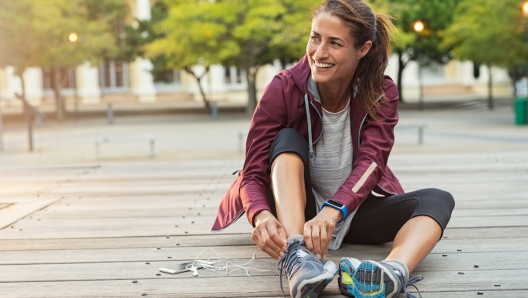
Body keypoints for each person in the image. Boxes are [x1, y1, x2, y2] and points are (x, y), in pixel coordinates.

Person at [212, 0, 455, 297]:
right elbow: (252, 172)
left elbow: (372, 163)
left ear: (362, 49)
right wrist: (261, 215)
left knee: (438, 199)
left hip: (350, 211)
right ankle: (299, 257)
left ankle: (392, 273)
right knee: (287, 139)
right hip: (297, 214)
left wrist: (333, 211)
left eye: (335, 43)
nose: (319, 52)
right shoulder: (283, 88)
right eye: (315, 38)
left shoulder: (381, 92)